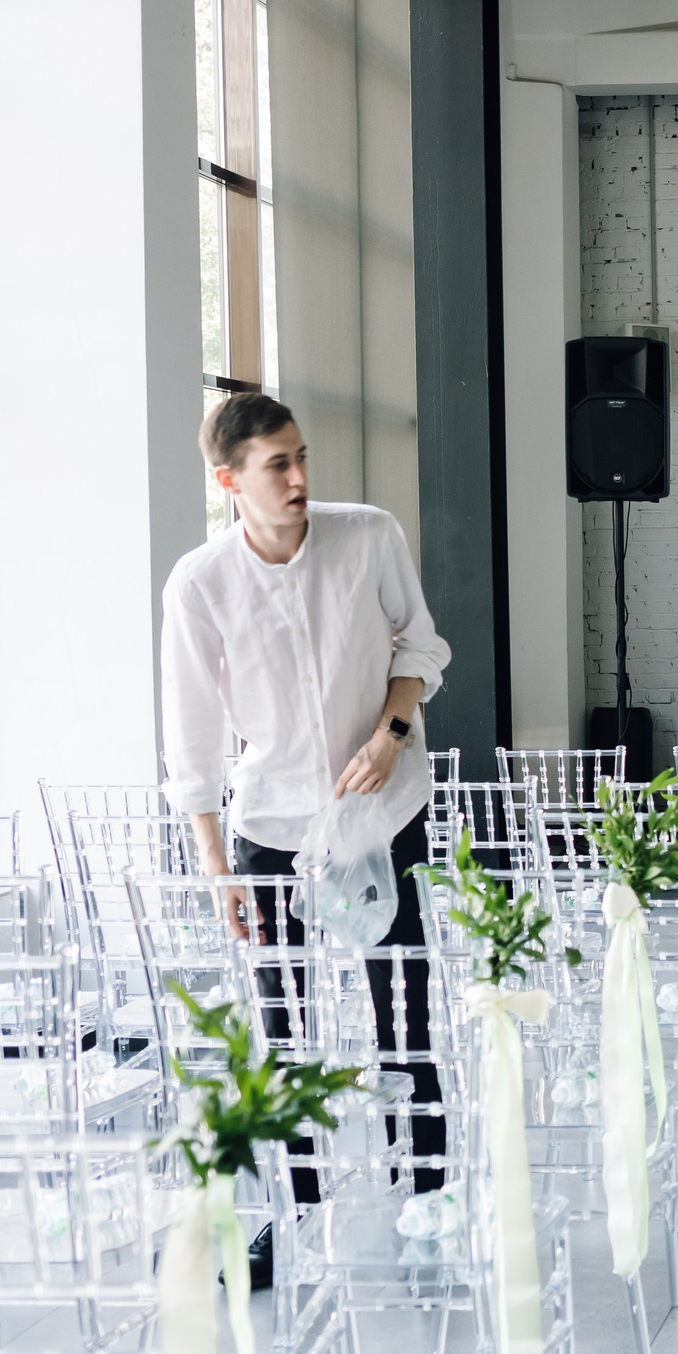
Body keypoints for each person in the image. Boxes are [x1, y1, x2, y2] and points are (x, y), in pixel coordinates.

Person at [161, 391, 453, 1227]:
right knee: (284, 1024)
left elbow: (420, 645)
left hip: (383, 811)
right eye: (276, 464)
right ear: (228, 479)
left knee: (405, 1000)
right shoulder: (201, 583)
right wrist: (217, 870)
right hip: (271, 826)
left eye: (301, 456)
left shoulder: (369, 535)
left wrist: (392, 733)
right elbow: (191, 735)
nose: (298, 477)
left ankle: (428, 1192)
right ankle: (305, 1210)